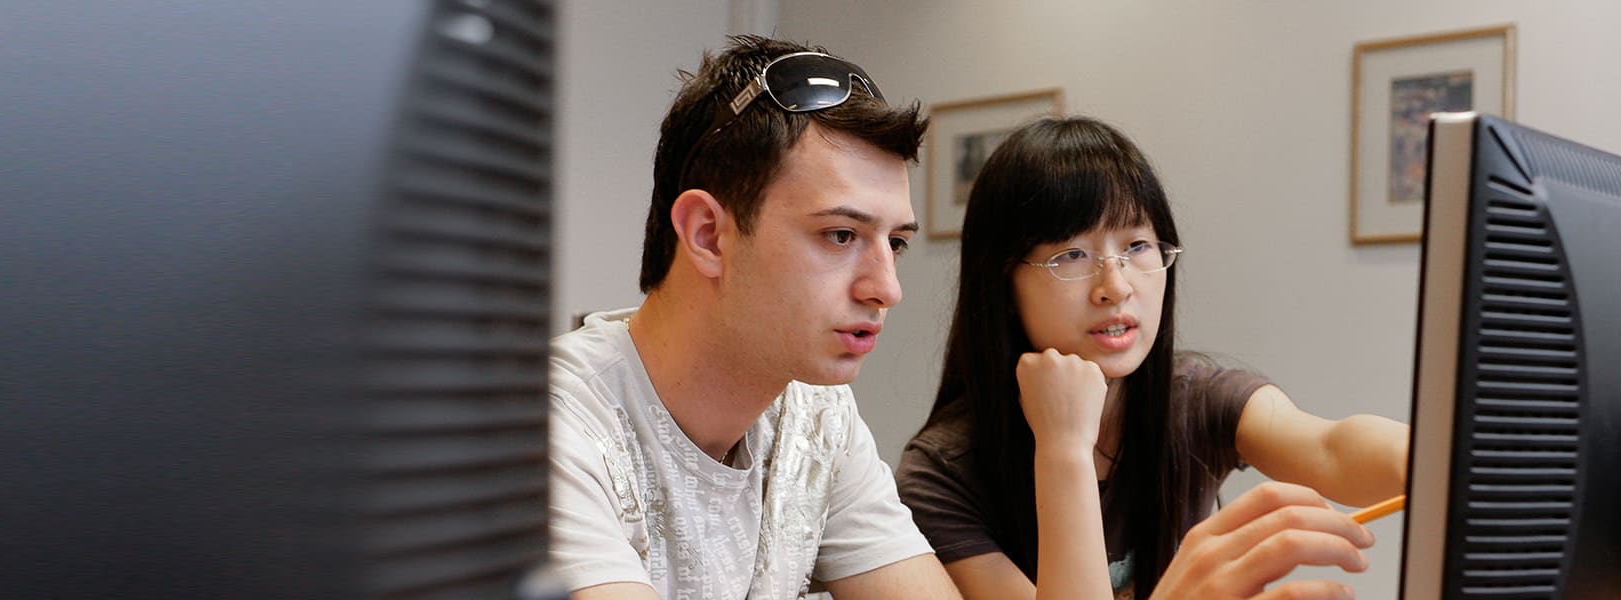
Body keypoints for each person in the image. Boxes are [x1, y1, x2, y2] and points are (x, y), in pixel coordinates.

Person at [896, 116, 1410, 600]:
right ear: (1003, 282)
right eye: (1072, 255)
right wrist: (1064, 447)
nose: (1115, 286)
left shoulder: (1193, 396)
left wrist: (1448, 457)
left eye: (1138, 245)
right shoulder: (940, 475)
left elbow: (1331, 448)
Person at [545, 35, 960, 599]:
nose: (887, 288)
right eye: (840, 235)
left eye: (897, 244)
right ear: (708, 235)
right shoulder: (550, 426)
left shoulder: (817, 414)